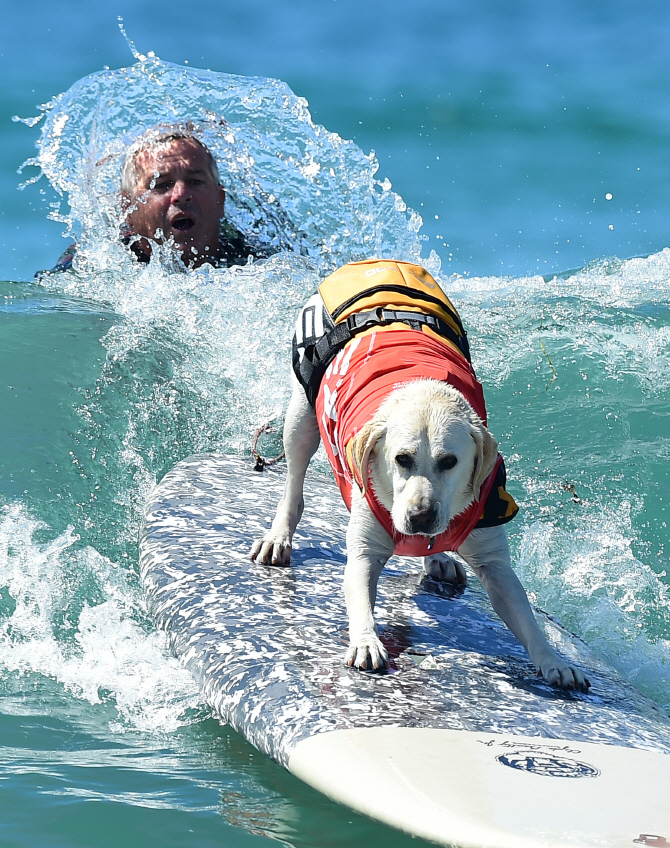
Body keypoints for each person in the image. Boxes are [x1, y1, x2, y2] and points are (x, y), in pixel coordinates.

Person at [37, 126, 270, 276]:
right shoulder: (97, 261)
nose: (181, 194)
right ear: (128, 208)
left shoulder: (254, 260)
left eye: (196, 181)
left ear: (220, 201)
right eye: (161, 185)